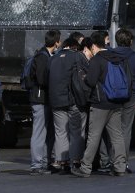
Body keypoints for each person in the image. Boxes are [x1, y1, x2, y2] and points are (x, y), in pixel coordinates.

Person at [71, 31, 127, 178]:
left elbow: (90, 81)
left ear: (95, 45)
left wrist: (84, 77)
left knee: (94, 136)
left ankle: (85, 167)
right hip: (116, 101)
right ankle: (120, 167)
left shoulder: (97, 60)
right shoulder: (116, 58)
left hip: (100, 103)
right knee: (117, 136)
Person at [111, 28, 135, 173]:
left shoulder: (109, 55)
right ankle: (123, 162)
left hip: (111, 97)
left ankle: (110, 160)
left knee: (112, 130)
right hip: (129, 97)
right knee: (125, 130)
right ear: (130, 41)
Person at [47, 37, 82, 174]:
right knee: (75, 132)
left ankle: (62, 161)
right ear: (74, 47)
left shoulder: (53, 58)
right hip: (72, 100)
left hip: (56, 100)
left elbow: (47, 77)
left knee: (60, 131)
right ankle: (75, 161)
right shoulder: (76, 57)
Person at [28, 30, 61, 175]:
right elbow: (41, 79)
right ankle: (36, 164)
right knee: (39, 132)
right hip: (40, 99)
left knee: (47, 131)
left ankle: (44, 162)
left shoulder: (46, 55)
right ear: (56, 42)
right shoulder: (42, 57)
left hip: (45, 98)